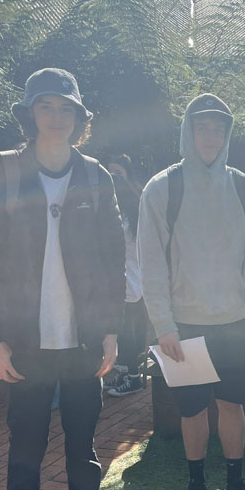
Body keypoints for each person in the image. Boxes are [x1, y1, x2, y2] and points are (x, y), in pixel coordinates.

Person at [0, 68, 126, 490]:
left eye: (66, 108)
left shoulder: (96, 177)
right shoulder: (3, 172)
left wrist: (110, 329)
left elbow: (113, 259)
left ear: (80, 117)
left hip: (82, 341)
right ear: (30, 114)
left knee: (83, 445)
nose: (57, 117)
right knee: (26, 450)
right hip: (25, 343)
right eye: (46, 106)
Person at [138, 93, 245, 490]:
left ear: (228, 134)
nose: (211, 136)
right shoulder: (162, 188)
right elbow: (151, 264)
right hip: (184, 324)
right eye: (202, 126)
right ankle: (196, 488)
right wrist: (164, 325)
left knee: (232, 405)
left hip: (237, 323)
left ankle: (236, 486)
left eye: (219, 128)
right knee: (192, 410)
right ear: (187, 132)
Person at [104, 154, 148, 397]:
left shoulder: (130, 215)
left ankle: (132, 378)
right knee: (123, 332)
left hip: (129, 282)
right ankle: (124, 373)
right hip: (128, 282)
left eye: (117, 173)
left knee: (127, 333)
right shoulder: (126, 210)